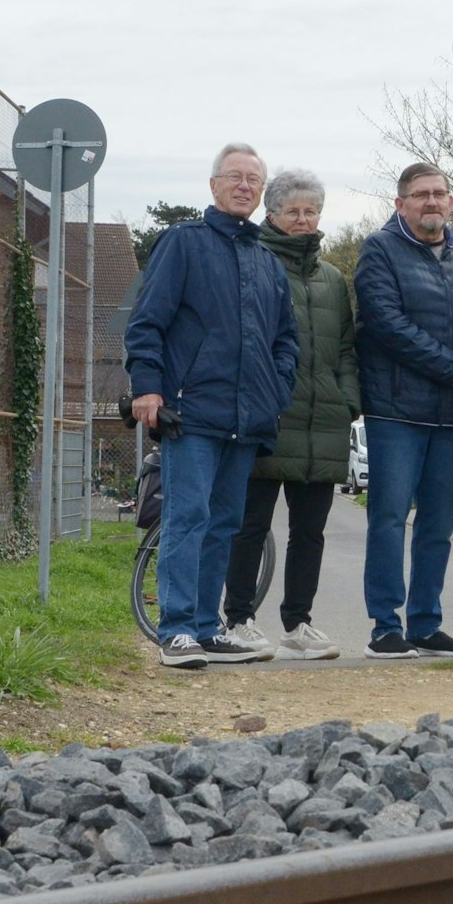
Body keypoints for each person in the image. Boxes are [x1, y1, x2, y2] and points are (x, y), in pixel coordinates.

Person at [124, 142, 299, 669]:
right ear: (213, 185)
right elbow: (147, 321)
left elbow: (285, 341)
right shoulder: (183, 243)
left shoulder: (267, 261)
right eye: (235, 177)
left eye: (253, 179)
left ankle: (206, 626)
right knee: (188, 517)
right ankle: (176, 630)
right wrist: (147, 387)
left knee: (225, 523)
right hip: (191, 414)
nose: (245, 186)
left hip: (246, 419)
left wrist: (275, 390)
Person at [353, 162, 453, 659]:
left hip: (449, 415)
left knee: (439, 523)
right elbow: (387, 326)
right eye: (420, 195)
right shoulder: (378, 250)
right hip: (395, 411)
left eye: (440, 193)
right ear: (401, 204)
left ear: (451, 201)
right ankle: (384, 626)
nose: (431, 201)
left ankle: (425, 622)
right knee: (390, 519)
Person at [221, 169, 357, 661]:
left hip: (323, 421)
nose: (303, 220)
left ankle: (298, 623)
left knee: (310, 532)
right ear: (271, 214)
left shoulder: (334, 278)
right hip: (267, 419)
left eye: (311, 211)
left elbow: (345, 346)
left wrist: (347, 399)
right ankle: (238, 619)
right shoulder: (253, 262)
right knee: (249, 526)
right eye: (293, 211)